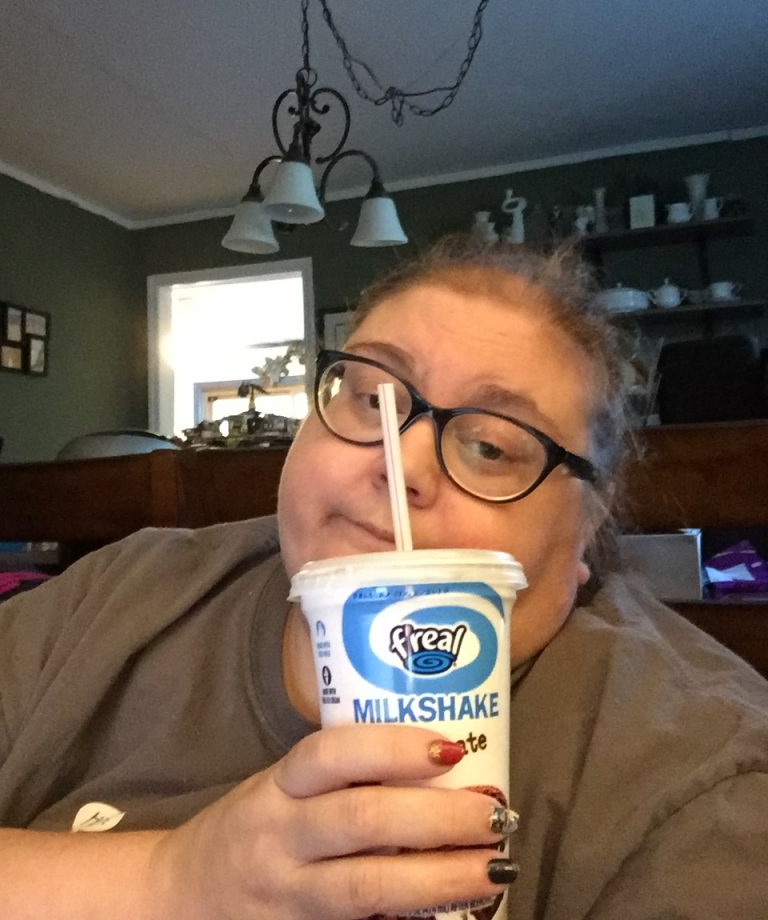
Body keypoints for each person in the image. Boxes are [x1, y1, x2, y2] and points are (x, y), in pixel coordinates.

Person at [1, 234, 767, 919]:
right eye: (371, 398)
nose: (401, 463)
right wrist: (170, 881)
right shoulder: (120, 596)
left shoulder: (701, 783)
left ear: (586, 524)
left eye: (492, 447)